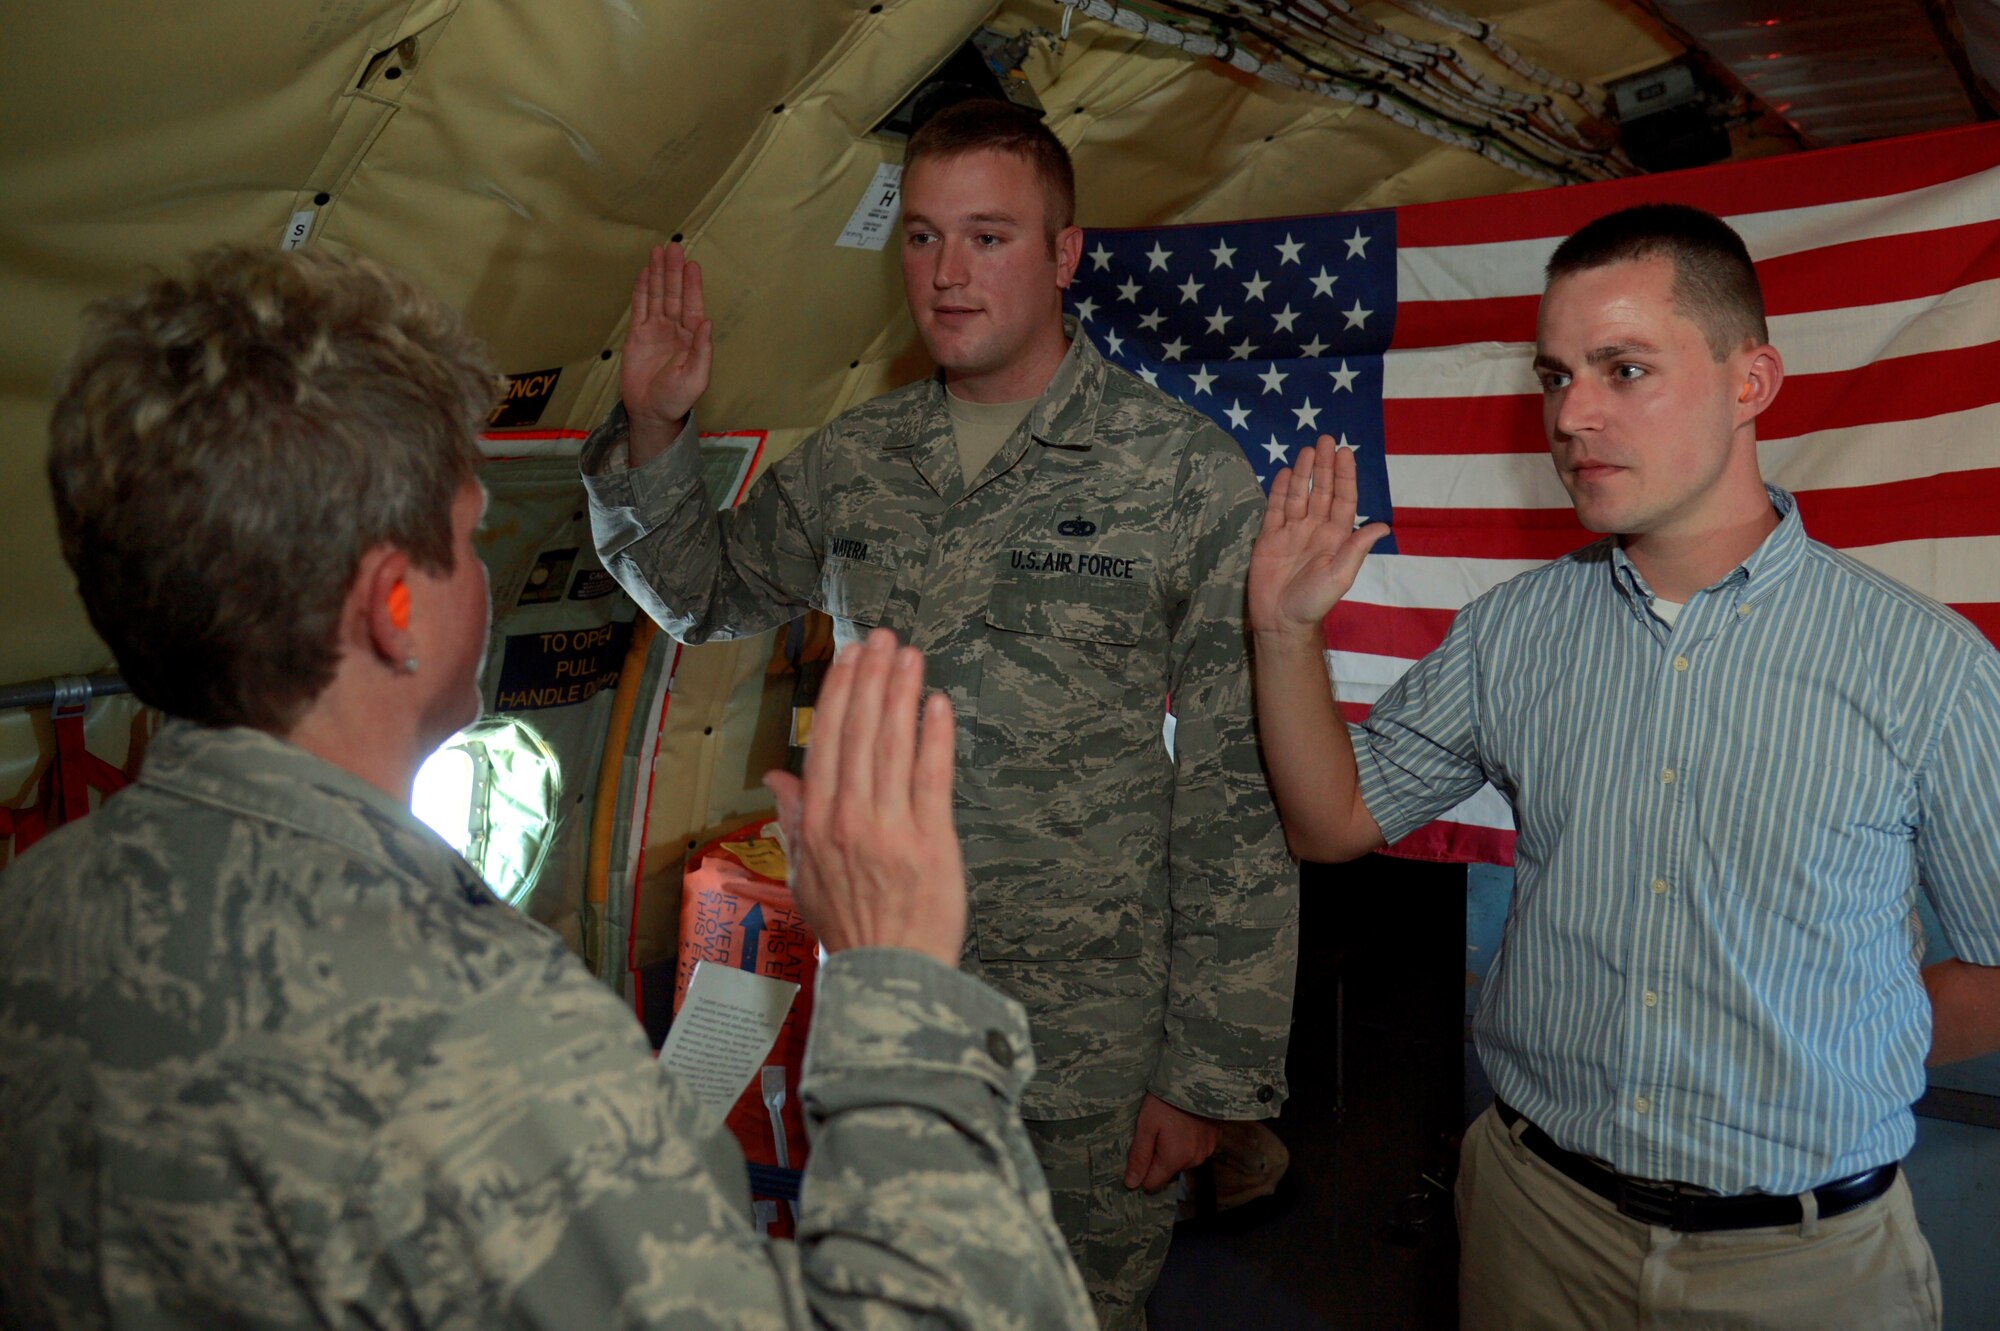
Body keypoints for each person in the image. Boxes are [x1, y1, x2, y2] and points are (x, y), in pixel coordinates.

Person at [0, 244, 1097, 1330]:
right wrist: (896, 977)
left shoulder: (34, 912)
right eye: (469, 540)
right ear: (392, 607)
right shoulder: (487, 1040)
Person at [580, 98, 1296, 1327]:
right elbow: (702, 595)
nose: (947, 274)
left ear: (1065, 254)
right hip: (887, 1005)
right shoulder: (855, 460)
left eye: (987, 237)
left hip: (1086, 1033)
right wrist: (654, 424)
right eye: (920, 239)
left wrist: (1206, 1075)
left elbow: (1234, 787)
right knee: (880, 1293)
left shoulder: (1178, 471)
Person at [1248, 203, 2000, 1330]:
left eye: (1623, 368)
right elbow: (1334, 820)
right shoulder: (1515, 633)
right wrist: (1284, 632)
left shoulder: (1920, 664)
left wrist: (1829, 1049)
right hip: (1533, 1225)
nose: (1572, 415)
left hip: (1805, 1268)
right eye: (1556, 376)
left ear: (1750, 382)